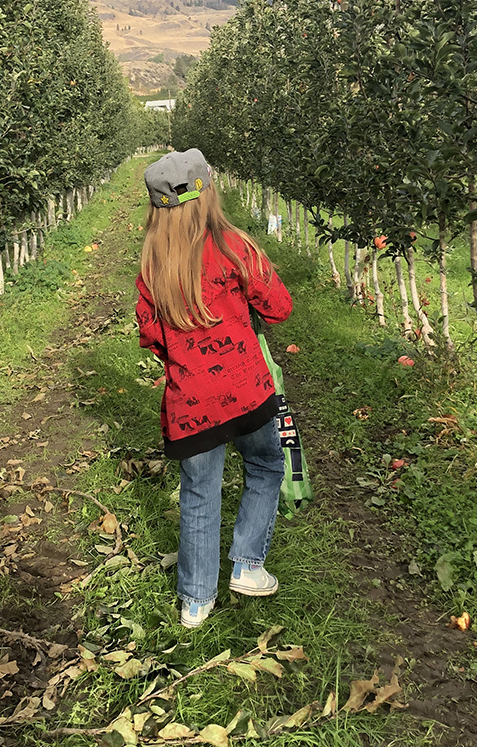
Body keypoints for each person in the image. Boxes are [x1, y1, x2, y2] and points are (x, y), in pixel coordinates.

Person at [135, 148, 292, 628]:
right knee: (265, 464)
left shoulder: (152, 268)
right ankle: (246, 563)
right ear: (208, 194)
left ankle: (196, 601)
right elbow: (279, 307)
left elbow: (151, 336)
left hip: (191, 403)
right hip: (247, 393)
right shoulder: (233, 246)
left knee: (199, 494)